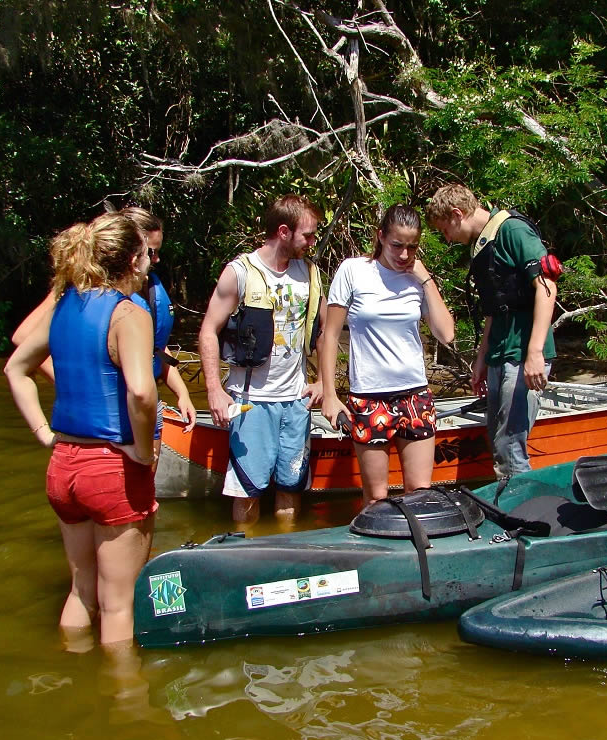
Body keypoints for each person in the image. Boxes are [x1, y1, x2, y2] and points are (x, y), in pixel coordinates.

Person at [5, 212, 157, 646]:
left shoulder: (63, 305)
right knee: (118, 603)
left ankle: (72, 677)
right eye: (146, 252)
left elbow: (16, 368)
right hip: (111, 470)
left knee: (81, 591)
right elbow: (142, 393)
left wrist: (43, 432)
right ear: (133, 260)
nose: (150, 260)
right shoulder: (129, 312)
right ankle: (125, 702)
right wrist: (143, 453)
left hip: (63, 466)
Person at [11, 207, 196, 457]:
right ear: (132, 249)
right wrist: (73, 382)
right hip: (109, 419)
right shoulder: (83, 291)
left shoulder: (147, 290)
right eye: (151, 252)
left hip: (140, 410)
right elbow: (23, 337)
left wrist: (181, 392)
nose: (156, 260)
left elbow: (155, 348)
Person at [198, 194, 326, 525]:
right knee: (247, 490)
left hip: (296, 402)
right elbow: (208, 331)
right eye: (307, 235)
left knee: (291, 487)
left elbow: (325, 330)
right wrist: (214, 389)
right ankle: (245, 559)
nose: (312, 242)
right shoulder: (239, 273)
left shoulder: (309, 273)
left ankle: (285, 555)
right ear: (284, 231)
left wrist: (325, 382)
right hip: (251, 401)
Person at [320, 204, 455, 506]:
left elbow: (446, 334)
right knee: (377, 497)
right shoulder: (353, 271)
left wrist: (426, 278)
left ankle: (417, 551)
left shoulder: (416, 280)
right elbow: (329, 336)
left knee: (420, 494)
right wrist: (329, 393)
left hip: (415, 397)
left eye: (412, 247)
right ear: (381, 236)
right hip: (369, 398)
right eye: (397, 245)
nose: (404, 255)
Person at [427, 183, 558, 480]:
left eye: (445, 230)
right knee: (499, 442)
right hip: (500, 353)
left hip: (523, 353)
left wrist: (535, 353)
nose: (447, 239)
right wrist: (482, 358)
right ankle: (509, 503)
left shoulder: (512, 232)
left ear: (457, 214)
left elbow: (547, 286)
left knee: (511, 445)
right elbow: (494, 309)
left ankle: (519, 513)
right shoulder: (483, 245)